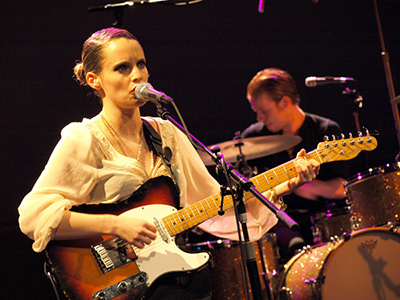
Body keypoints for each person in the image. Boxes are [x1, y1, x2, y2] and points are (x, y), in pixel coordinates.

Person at [18, 29, 319, 300]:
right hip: (116, 284)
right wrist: (114, 224)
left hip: (168, 279)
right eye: (122, 68)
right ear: (94, 79)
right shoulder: (83, 139)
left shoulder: (166, 133)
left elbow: (215, 205)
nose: (137, 75)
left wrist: (284, 183)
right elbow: (34, 216)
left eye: (141, 64)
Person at [241, 68, 349, 263]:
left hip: (324, 221)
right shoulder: (252, 139)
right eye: (256, 112)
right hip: (277, 225)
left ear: (284, 102)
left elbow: (343, 188)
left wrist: (308, 186)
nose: (259, 118)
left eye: (264, 111)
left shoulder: (325, 130)